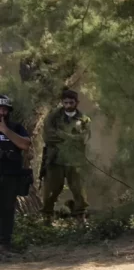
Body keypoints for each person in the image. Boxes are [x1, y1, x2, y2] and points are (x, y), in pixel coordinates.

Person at [41, 89, 90, 221]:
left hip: (75, 160)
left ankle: (80, 217)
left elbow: (83, 139)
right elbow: (48, 137)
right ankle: (47, 218)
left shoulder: (84, 119)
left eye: (71, 102)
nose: (68, 105)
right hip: (55, 159)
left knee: (79, 191)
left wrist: (62, 135)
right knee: (51, 191)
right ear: (62, 102)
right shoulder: (53, 117)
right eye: (65, 102)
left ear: (77, 102)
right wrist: (71, 138)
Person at [0, 95, 33, 255]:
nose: (2, 112)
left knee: (7, 210)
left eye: (4, 109)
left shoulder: (16, 127)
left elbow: (25, 144)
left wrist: (5, 130)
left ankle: (4, 245)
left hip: (11, 175)